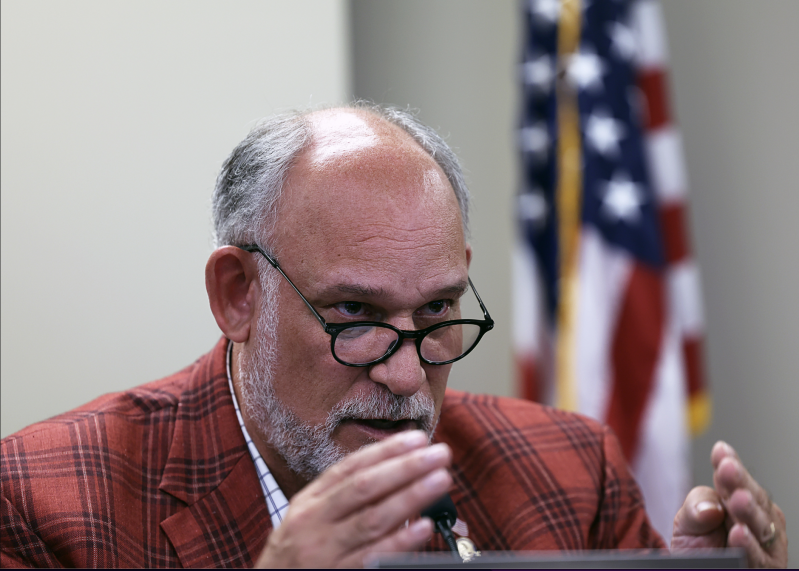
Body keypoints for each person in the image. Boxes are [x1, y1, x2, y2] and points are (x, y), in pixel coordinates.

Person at [0, 103, 787, 568]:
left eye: (438, 312)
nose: (408, 377)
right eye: (355, 316)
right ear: (238, 295)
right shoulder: (46, 504)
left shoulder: (569, 471)